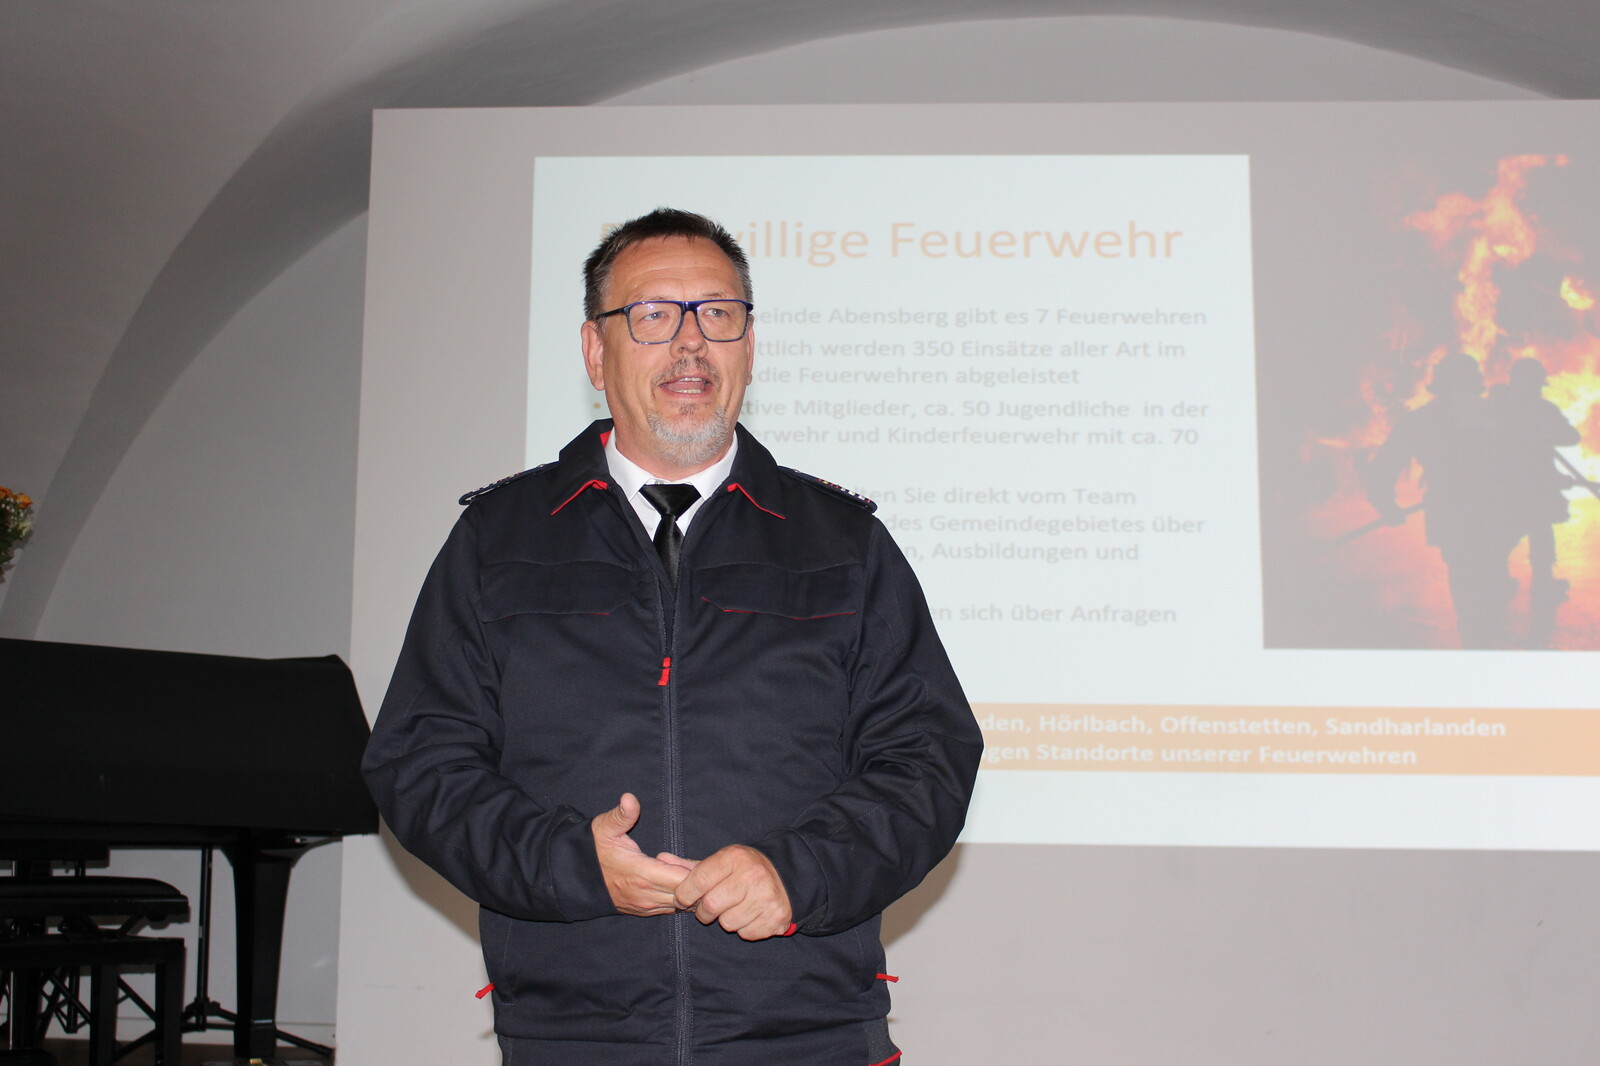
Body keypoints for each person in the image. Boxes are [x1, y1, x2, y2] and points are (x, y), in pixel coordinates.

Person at [362, 208, 982, 1066]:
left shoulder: (843, 543)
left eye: (718, 315)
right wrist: (572, 864)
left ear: (749, 346)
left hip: (806, 1036)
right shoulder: (498, 541)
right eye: (653, 315)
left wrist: (796, 873)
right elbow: (420, 764)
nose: (691, 344)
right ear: (595, 351)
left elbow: (927, 758)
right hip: (574, 1037)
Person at [1364, 352, 1516, 648]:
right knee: (1488, 573)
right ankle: (1484, 636)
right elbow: (1522, 462)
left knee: (1467, 576)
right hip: (1490, 510)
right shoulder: (1496, 414)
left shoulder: (1422, 419)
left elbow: (1384, 466)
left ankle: (1478, 636)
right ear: (1472, 382)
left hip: (1456, 510)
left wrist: (1386, 504)